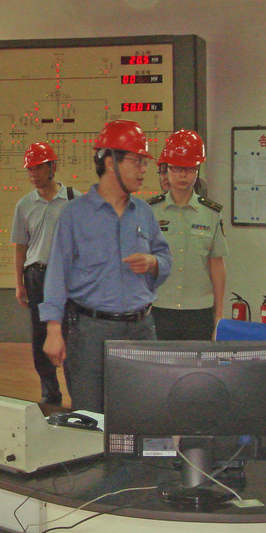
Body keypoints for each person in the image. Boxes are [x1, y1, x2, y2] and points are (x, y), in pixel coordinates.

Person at [40, 120, 171, 412]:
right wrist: (53, 329)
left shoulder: (144, 212)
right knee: (90, 415)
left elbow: (165, 257)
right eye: (136, 162)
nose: (144, 170)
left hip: (141, 331)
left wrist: (153, 262)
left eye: (145, 163)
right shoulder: (74, 215)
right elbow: (58, 274)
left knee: (143, 412)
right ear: (110, 162)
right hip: (91, 333)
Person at [10, 142, 78, 405]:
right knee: (40, 336)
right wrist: (19, 284)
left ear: (52, 167)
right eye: (30, 169)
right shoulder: (24, 205)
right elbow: (21, 248)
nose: (33, 174)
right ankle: (50, 393)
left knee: (71, 334)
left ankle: (77, 393)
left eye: (38, 168)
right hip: (37, 276)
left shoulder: (74, 199)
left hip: (68, 278)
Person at [148, 130, 227, 340]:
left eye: (190, 169)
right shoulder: (150, 212)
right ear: (167, 169)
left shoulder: (211, 213)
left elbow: (216, 264)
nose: (183, 175)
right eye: (177, 168)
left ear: (197, 170)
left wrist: (219, 315)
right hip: (159, 308)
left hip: (199, 311)